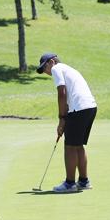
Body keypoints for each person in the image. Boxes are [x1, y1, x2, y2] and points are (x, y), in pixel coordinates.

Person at [36, 53, 98, 193]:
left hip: (79, 109)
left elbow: (62, 93)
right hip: (90, 108)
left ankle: (70, 183)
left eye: (45, 67)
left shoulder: (56, 69)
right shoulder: (69, 69)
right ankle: (83, 181)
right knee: (78, 145)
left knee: (70, 146)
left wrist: (62, 118)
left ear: (52, 62)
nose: (46, 72)